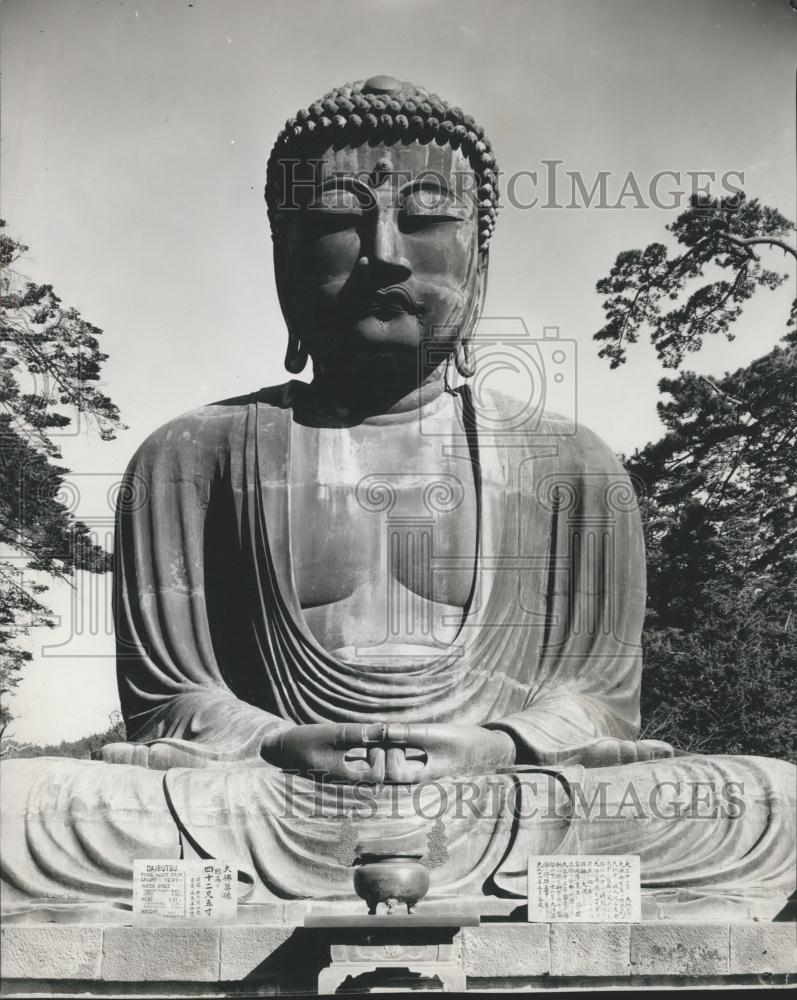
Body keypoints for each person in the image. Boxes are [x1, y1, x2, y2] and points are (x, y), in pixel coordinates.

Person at [2, 77, 794, 920]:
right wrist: (277, 739)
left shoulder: (570, 464)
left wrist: (490, 743)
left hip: (500, 802)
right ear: (284, 257)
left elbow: (596, 704)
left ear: (479, 255)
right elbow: (169, 704)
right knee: (19, 809)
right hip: (266, 802)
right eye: (339, 220)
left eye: (423, 218)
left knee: (767, 802)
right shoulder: (192, 454)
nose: (383, 251)